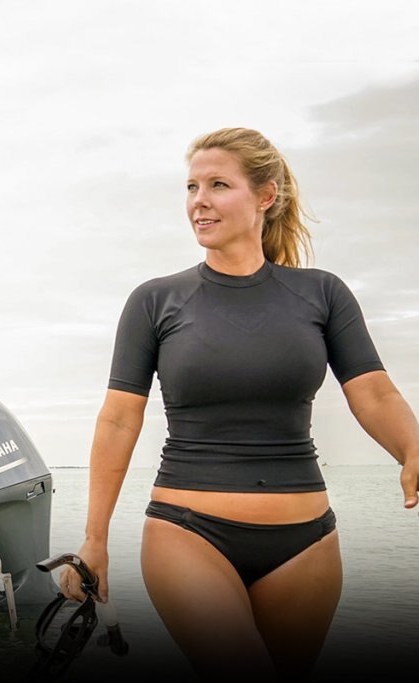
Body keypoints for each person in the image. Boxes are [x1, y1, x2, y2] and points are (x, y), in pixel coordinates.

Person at [61, 127, 419, 680]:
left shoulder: (322, 293)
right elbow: (118, 420)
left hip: (306, 541)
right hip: (188, 530)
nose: (198, 201)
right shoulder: (155, 301)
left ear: (266, 196)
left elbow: (373, 391)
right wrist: (95, 539)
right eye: (191, 187)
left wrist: (412, 449)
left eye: (218, 185)